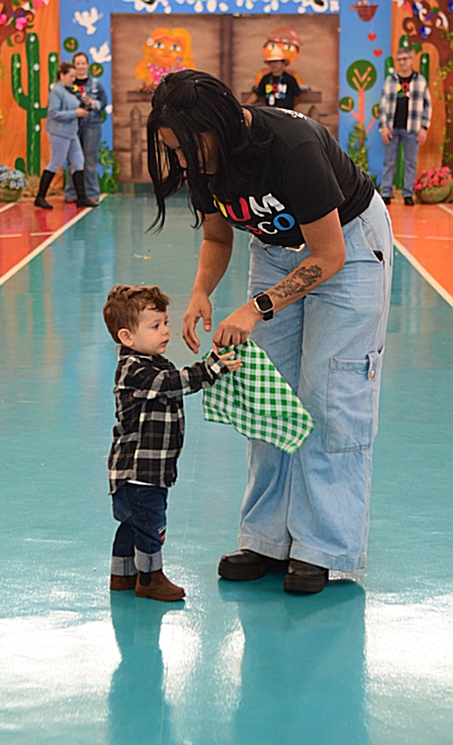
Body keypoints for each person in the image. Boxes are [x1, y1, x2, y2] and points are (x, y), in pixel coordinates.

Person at [147, 70, 393, 594]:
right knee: (268, 393)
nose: (184, 160)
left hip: (347, 246)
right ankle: (266, 538)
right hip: (275, 252)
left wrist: (256, 308)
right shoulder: (202, 162)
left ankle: (324, 546)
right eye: (174, 150)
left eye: (187, 147)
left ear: (216, 125)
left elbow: (328, 255)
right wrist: (200, 294)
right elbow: (217, 237)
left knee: (331, 392)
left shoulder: (291, 146)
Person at [103, 284, 241, 602]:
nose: (165, 331)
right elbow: (174, 383)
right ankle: (150, 579)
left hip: (147, 470)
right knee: (151, 526)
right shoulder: (134, 370)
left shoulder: (151, 362)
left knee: (131, 525)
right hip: (140, 473)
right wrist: (212, 369)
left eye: (165, 323)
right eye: (156, 326)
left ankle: (122, 575)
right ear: (126, 337)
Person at [34, 62, 96, 210]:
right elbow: (53, 113)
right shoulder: (57, 91)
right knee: (55, 163)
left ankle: (81, 197)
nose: (73, 79)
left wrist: (84, 105)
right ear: (62, 75)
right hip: (59, 132)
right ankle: (40, 197)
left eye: (74, 76)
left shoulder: (69, 91)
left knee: (78, 161)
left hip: (71, 132)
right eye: (71, 76)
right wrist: (75, 113)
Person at [379, 48, 431, 207]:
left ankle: (408, 193)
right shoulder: (390, 81)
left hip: (412, 128)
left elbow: (428, 105)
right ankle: (386, 193)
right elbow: (382, 105)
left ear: (411, 60)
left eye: (405, 59)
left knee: (410, 162)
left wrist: (424, 127)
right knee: (389, 162)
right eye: (399, 59)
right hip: (392, 128)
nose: (402, 62)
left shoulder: (420, 81)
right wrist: (383, 127)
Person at [64, 52, 108, 205]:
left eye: (83, 63)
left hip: (92, 126)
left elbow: (104, 102)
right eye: (78, 64)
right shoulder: (69, 85)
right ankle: (71, 193)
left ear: (87, 65)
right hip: (72, 125)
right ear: (74, 66)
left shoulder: (96, 84)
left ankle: (91, 193)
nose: (81, 67)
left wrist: (92, 103)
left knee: (89, 161)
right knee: (72, 161)